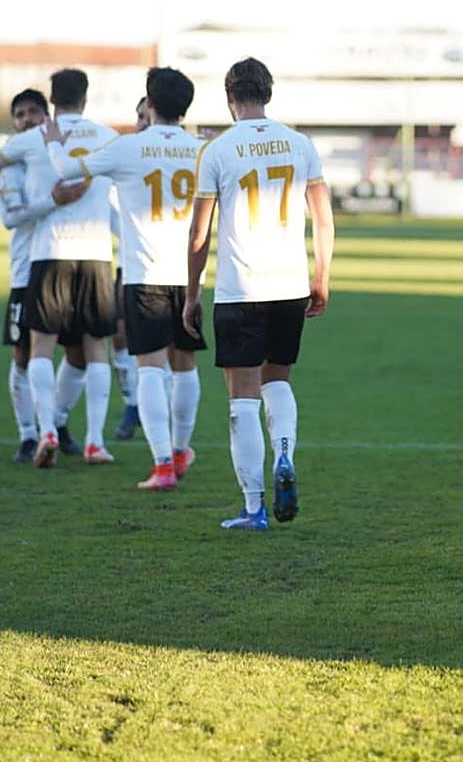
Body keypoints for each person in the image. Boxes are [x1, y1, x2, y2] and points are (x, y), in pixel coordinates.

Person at [186, 57, 334, 530]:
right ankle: (284, 455)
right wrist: (321, 277)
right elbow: (323, 219)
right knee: (278, 381)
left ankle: (254, 507)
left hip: (240, 289)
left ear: (229, 97)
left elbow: (198, 234)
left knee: (243, 399)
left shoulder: (217, 150)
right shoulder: (300, 144)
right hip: (289, 286)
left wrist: (192, 294)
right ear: (268, 93)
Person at [45, 68, 205, 491]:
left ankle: (163, 466)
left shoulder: (127, 147)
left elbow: (67, 169)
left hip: (144, 274)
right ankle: (180, 451)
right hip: (189, 275)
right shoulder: (202, 150)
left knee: (150, 368)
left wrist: (54, 142)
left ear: (149, 103)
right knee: (185, 365)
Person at [0, 68, 118, 467]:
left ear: (51, 102)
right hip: (96, 255)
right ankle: (93, 441)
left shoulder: (31, 140)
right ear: (86, 98)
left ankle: (48, 430)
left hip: (49, 253)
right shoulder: (108, 136)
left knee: (39, 347)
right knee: (95, 348)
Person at [0, 88, 89, 462]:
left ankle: (56, 421)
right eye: (19, 114)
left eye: (34, 112)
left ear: (47, 117)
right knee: (23, 353)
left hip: (68, 263)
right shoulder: (11, 165)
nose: (26, 119)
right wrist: (53, 201)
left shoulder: (59, 156)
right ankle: (28, 435)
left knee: (79, 352)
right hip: (26, 271)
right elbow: (10, 217)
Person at [106, 97, 154, 441]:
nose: (142, 122)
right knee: (120, 337)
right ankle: (131, 404)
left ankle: (162, 419)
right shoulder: (125, 155)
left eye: (147, 116)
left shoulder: (180, 155)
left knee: (164, 350)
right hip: (128, 266)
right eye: (139, 116)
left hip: (167, 270)